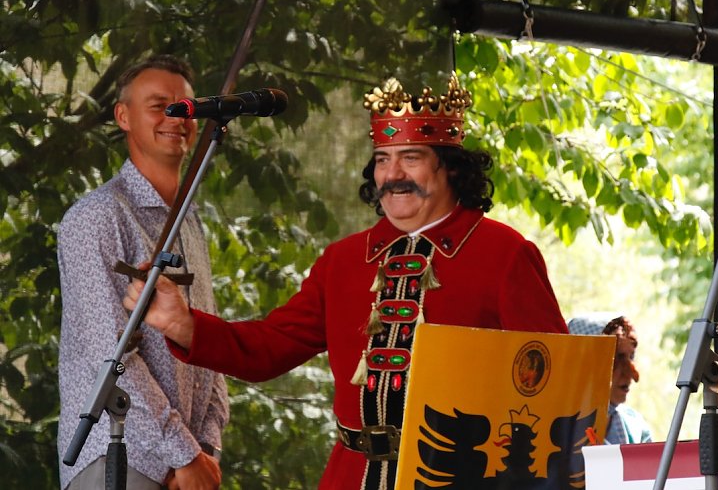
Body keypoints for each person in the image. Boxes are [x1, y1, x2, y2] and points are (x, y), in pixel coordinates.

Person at [123, 74, 570, 490]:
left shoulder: (505, 255)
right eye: (382, 160)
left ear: (450, 168)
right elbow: (266, 348)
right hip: (350, 475)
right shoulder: (343, 261)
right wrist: (184, 325)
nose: (392, 175)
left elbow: (555, 384)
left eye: (410, 158)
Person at [57, 55, 229, 489]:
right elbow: (108, 357)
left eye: (185, 108)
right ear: (123, 117)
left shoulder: (190, 222)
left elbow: (207, 344)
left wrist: (206, 451)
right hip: (117, 459)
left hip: (185, 469)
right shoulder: (97, 216)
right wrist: (184, 453)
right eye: (159, 106)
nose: (177, 118)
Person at [568, 314, 653, 445]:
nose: (632, 375)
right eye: (618, 358)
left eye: (631, 357)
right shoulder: (552, 428)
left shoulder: (637, 429)